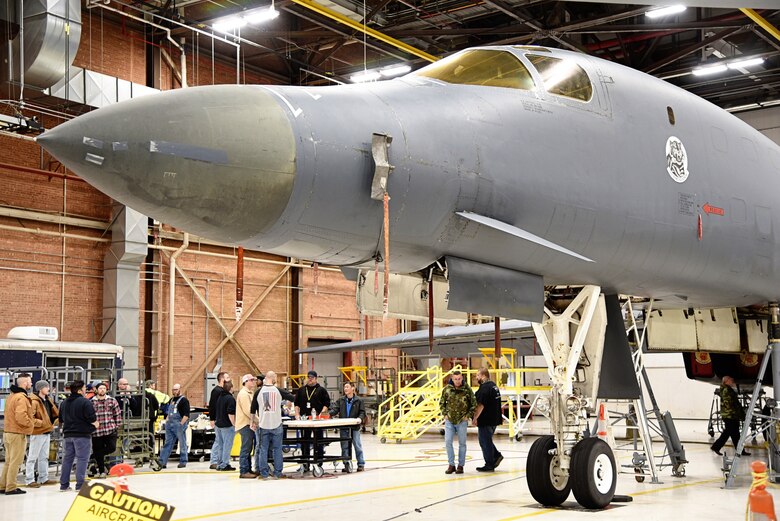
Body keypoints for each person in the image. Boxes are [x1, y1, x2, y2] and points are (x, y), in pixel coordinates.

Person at [59, 380, 99, 492]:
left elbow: (61, 419)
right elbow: (92, 418)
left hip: (67, 434)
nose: (86, 390)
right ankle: (80, 485)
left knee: (67, 459)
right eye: (85, 388)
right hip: (82, 435)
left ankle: (64, 485)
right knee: (82, 459)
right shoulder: (85, 402)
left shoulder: (64, 403)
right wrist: (95, 424)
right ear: (80, 390)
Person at [0, 373, 35, 495]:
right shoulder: (22, 398)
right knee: (16, 462)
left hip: (8, 432)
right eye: (30, 382)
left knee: (9, 461)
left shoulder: (11, 396)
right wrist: (30, 424)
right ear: (25, 383)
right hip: (17, 433)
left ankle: (3, 485)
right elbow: (21, 416)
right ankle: (11, 487)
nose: (31, 384)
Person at [439, 370, 476, 475]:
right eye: (455, 379)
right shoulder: (447, 389)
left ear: (462, 378)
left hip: (462, 421)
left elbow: (473, 403)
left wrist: (468, 416)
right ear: (452, 379)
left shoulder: (467, 389)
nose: (457, 381)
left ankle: (461, 465)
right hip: (449, 420)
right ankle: (451, 465)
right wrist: (445, 414)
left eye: (459, 379)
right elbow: (441, 402)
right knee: (448, 442)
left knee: (462, 444)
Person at [26, 380, 59, 487]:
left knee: (44, 457)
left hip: (47, 431)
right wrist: (41, 423)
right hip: (37, 432)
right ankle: (29, 480)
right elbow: (30, 417)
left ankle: (43, 478)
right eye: (46, 387)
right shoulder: (34, 401)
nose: (48, 389)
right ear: (40, 388)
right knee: (32, 457)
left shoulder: (47, 400)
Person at [294, 370, 331, 464]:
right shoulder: (301, 390)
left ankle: (319, 461)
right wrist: (297, 414)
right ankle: (305, 462)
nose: (309, 380)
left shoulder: (321, 390)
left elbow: (327, 403)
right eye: (308, 378)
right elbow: (296, 403)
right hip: (305, 419)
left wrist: (322, 413)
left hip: (317, 420)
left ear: (316, 378)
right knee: (305, 440)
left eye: (312, 378)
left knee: (319, 440)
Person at [330, 381, 366, 472]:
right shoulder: (341, 400)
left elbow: (362, 412)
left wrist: (359, 419)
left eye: (347, 387)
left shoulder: (359, 400)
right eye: (344, 387)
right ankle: (346, 463)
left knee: (357, 445)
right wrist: (328, 414)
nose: (345, 389)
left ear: (352, 388)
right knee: (344, 446)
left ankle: (361, 464)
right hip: (344, 427)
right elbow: (335, 410)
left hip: (354, 427)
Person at [472, 368, 504, 472]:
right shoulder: (493, 386)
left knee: (484, 441)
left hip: (486, 420)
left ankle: (489, 463)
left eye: (477, 375)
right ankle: (496, 456)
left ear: (483, 376)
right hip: (494, 419)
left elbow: (481, 405)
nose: (476, 378)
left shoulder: (485, 388)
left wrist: (475, 418)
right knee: (486, 440)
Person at [255, 371, 285, 479]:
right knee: (277, 449)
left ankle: (264, 474)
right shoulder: (278, 391)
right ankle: (277, 473)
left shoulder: (259, 392)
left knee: (263, 449)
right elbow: (291, 398)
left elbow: (253, 408)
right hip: (276, 424)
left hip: (263, 424)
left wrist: (251, 422)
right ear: (272, 378)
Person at [711, 375, 750, 456]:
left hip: (731, 415)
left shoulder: (727, 389)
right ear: (726, 381)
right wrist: (736, 413)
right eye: (731, 380)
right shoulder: (726, 390)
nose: (733, 381)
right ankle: (716, 446)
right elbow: (729, 403)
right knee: (728, 432)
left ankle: (740, 450)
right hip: (730, 415)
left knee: (735, 434)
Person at [91, 382, 122, 478]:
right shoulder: (91, 402)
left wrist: (117, 426)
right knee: (98, 449)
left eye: (104, 388)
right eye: (100, 388)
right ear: (96, 390)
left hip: (110, 429)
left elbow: (117, 414)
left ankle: (95, 455)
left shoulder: (112, 400)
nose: (102, 390)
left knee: (112, 447)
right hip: (97, 431)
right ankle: (101, 471)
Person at [159, 383, 190, 469]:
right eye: (173, 390)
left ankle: (183, 461)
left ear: (180, 389)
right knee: (168, 443)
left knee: (182, 443)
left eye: (176, 389)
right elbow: (168, 412)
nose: (174, 391)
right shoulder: (171, 400)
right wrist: (167, 420)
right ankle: (162, 462)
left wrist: (181, 424)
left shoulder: (184, 401)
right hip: (169, 425)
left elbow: (186, 415)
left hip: (179, 424)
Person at [236, 374, 258, 478]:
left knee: (249, 448)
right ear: (245, 382)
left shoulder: (249, 393)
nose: (253, 382)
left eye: (254, 380)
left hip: (248, 423)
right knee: (246, 448)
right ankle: (244, 471)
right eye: (251, 380)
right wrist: (258, 420)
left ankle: (248, 469)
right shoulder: (244, 394)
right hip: (245, 424)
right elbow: (248, 411)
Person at [208, 371, 230, 470]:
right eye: (227, 377)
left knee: (220, 441)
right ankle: (214, 460)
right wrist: (212, 419)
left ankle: (220, 460)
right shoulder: (216, 391)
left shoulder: (223, 392)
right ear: (222, 380)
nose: (229, 379)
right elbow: (212, 405)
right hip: (218, 419)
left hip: (222, 419)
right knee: (218, 441)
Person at [213, 380, 237, 471]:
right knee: (227, 445)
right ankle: (225, 464)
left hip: (218, 425)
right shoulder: (230, 399)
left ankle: (220, 463)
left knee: (220, 445)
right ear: (231, 388)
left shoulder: (220, 397)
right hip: (227, 426)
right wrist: (234, 424)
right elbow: (230, 413)